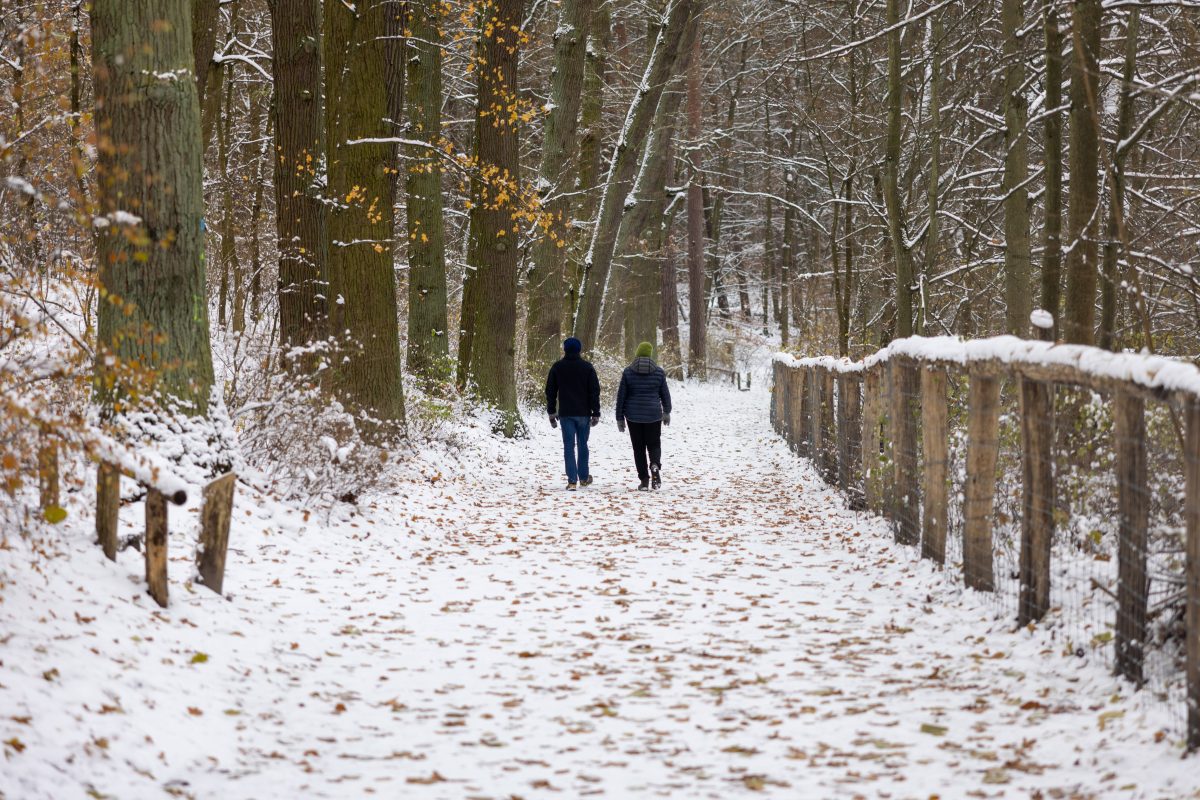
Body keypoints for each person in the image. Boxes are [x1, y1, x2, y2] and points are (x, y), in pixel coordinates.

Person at [545, 337, 601, 490]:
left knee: (568, 446)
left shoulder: (557, 367)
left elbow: (550, 391)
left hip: (566, 413)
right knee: (583, 445)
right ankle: (583, 477)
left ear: (564, 349)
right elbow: (594, 392)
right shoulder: (587, 367)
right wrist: (596, 412)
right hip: (584, 413)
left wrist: (551, 412)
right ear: (579, 350)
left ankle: (571, 481)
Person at [615, 341, 672, 490]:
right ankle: (654, 464)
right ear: (650, 354)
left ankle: (644, 480)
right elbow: (665, 394)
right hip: (653, 415)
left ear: (638, 353)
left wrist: (619, 417)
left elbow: (621, 396)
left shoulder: (628, 372)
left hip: (633, 416)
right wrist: (667, 411)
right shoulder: (659, 372)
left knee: (638, 448)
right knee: (654, 443)